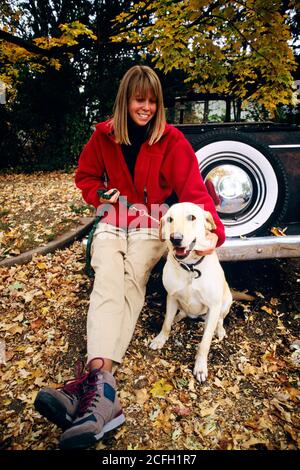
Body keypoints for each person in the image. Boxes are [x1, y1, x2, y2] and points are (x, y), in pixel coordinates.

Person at [34, 65, 225, 449]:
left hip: (152, 224)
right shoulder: (102, 136)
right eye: (141, 99)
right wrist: (100, 196)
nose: (147, 108)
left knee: (132, 277)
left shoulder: (172, 141)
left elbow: (196, 195)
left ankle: (90, 383)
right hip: (112, 219)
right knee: (107, 273)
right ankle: (103, 393)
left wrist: (214, 233)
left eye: (154, 101)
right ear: (126, 99)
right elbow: (86, 178)